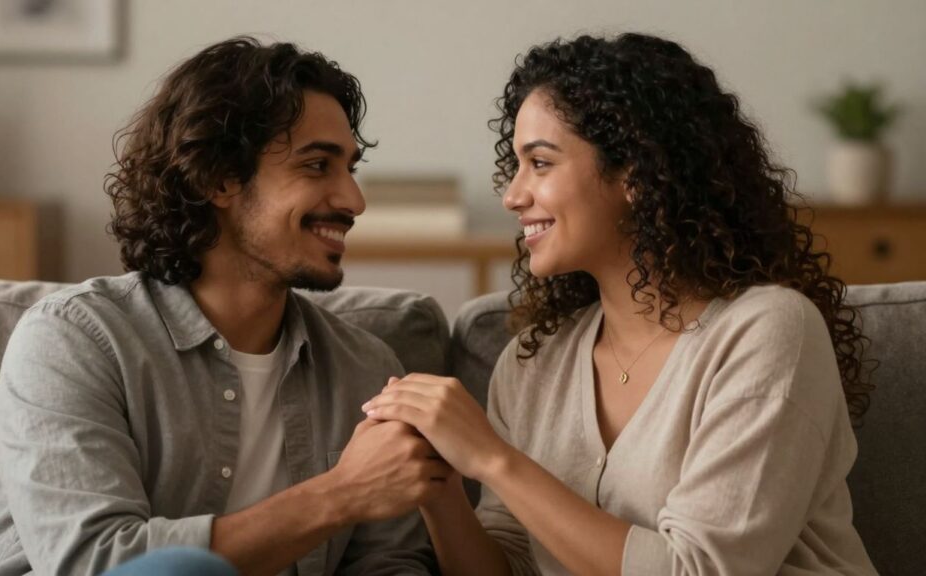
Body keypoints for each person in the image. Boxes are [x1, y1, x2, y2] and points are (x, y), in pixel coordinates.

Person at [362, 33, 878, 575]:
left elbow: (698, 569)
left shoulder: (769, 331)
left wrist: (492, 459)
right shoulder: (532, 364)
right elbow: (511, 566)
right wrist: (437, 482)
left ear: (634, 173)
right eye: (515, 166)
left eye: (539, 163)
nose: (512, 195)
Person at [0, 37, 446, 576]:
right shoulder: (74, 341)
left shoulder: (366, 369)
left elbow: (391, 564)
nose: (354, 201)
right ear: (218, 179)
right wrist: (342, 493)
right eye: (317, 166)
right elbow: (95, 563)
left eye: (350, 170)